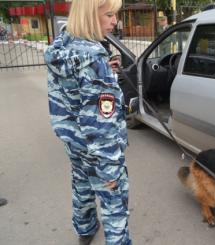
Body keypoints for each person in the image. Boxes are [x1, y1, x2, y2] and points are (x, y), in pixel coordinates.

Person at [44, 1, 131, 245]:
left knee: (82, 185)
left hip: (73, 141)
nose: (115, 21)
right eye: (110, 15)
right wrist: (111, 166)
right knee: (115, 204)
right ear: (90, 16)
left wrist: (106, 72)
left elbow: (75, 93)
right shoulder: (93, 59)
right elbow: (100, 123)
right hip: (98, 148)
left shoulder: (62, 46)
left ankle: (85, 229)